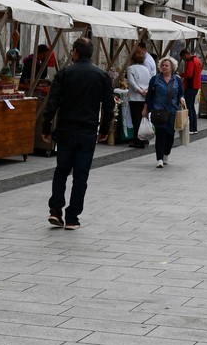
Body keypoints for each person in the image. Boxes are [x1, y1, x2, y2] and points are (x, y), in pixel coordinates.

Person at [41, 38, 114, 230]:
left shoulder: (65, 73)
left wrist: (46, 126)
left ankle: (56, 210)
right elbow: (109, 105)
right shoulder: (102, 75)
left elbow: (52, 102)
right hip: (87, 130)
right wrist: (104, 129)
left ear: (75, 52)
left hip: (66, 129)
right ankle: (72, 217)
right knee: (81, 175)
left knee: (61, 170)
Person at [142, 55, 185, 168]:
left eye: (167, 65)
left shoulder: (177, 80)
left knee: (170, 134)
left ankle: (166, 153)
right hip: (158, 110)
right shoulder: (155, 79)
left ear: (172, 68)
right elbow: (149, 95)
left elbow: (181, 93)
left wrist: (182, 98)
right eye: (163, 65)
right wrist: (145, 109)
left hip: (173, 111)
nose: (164, 67)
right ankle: (159, 159)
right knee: (160, 133)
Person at [126, 51, 152, 149]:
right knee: (143, 118)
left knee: (136, 119)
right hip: (144, 96)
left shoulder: (131, 68)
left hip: (135, 97)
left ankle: (138, 140)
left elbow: (131, 82)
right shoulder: (146, 69)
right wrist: (146, 90)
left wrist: (139, 90)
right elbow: (150, 81)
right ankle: (144, 139)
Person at [179, 48, 203, 135]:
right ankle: (194, 128)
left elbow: (189, 74)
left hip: (190, 86)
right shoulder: (197, 59)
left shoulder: (190, 61)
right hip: (196, 86)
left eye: (183, 58)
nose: (184, 60)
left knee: (189, 107)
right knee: (191, 107)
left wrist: (181, 74)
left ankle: (191, 128)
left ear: (185, 55)